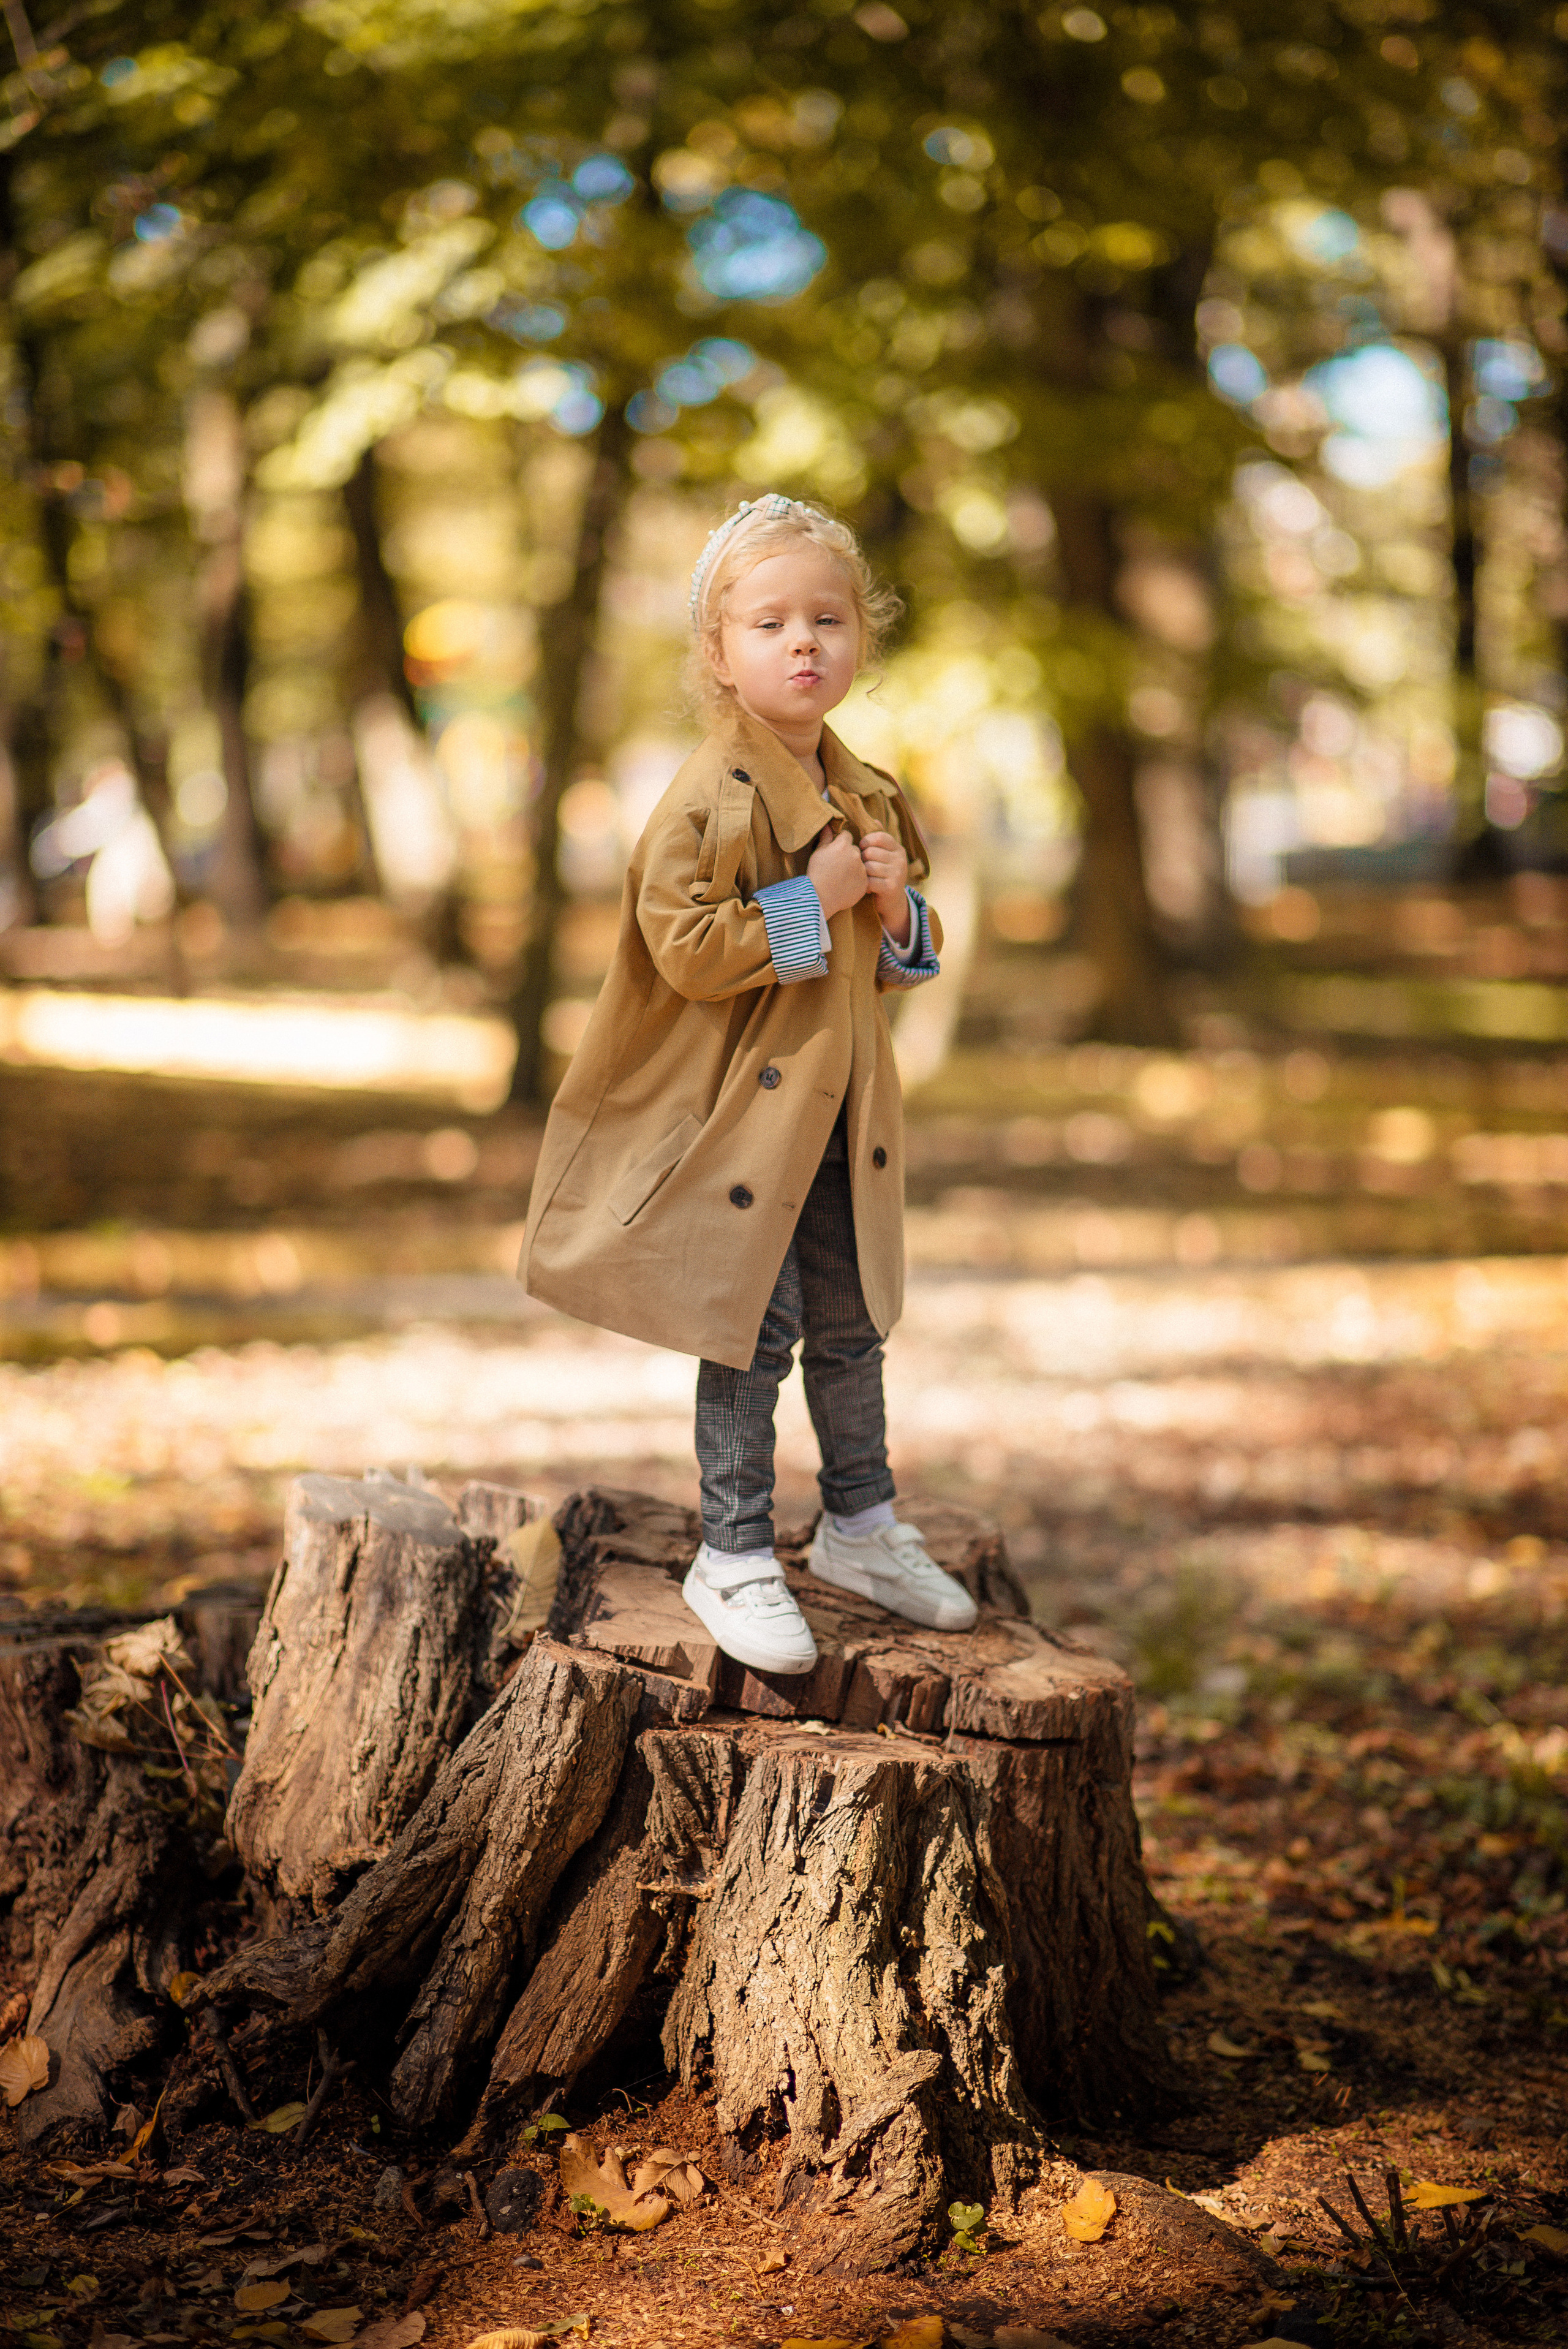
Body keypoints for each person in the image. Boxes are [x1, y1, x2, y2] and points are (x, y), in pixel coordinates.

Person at [520, 493, 977, 1673]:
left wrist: (892, 908)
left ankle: (861, 1523)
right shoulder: (702, 799)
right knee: (747, 1328)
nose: (804, 641)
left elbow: (899, 962)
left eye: (827, 618)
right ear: (719, 656)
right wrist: (811, 901)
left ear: (859, 638)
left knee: (853, 1320)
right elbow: (682, 947)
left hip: (840, 1117)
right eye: (770, 622)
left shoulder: (867, 789)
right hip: (738, 1124)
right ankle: (731, 1548)